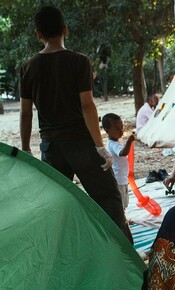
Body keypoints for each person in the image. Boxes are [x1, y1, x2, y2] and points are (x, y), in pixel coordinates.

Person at [19, 5, 132, 243]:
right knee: (109, 200)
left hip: (51, 147)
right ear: (65, 30)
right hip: (82, 144)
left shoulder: (29, 67)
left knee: (55, 204)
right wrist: (99, 146)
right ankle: (127, 261)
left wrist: (26, 147)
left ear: (38, 33)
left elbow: (26, 112)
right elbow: (87, 106)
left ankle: (61, 255)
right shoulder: (79, 62)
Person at [103, 113, 135, 210]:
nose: (121, 131)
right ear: (107, 130)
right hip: (119, 179)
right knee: (121, 202)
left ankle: (123, 218)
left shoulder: (114, 143)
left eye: (121, 128)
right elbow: (123, 153)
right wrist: (129, 142)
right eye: (117, 129)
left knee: (122, 202)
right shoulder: (113, 144)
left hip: (121, 178)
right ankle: (122, 220)